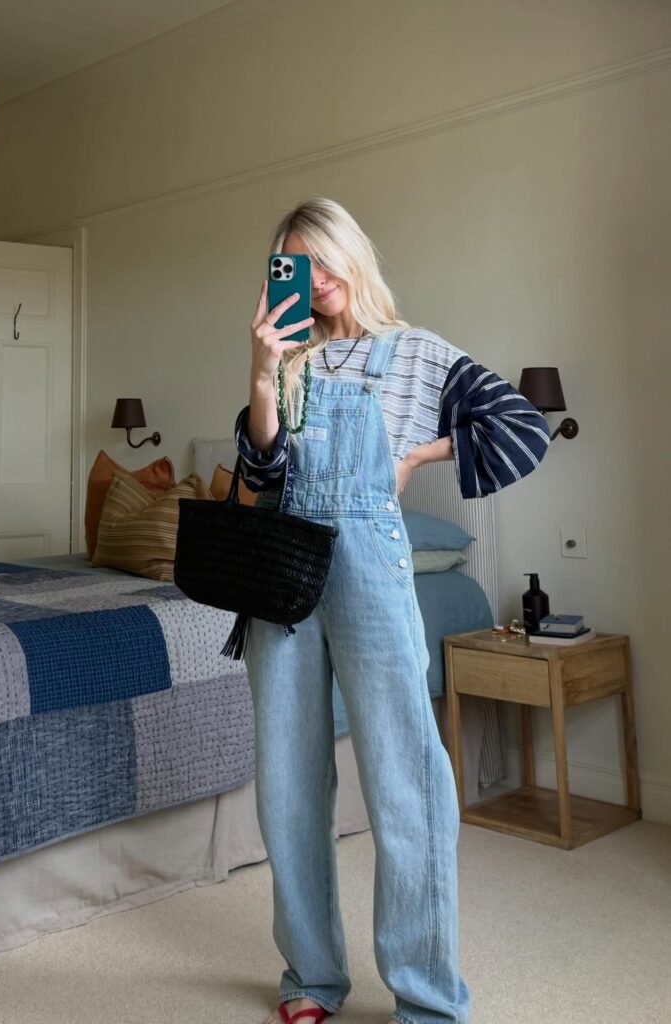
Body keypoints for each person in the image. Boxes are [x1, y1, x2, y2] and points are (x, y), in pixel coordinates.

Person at [234, 197, 550, 1024]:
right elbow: (261, 473)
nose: (316, 278)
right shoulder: (289, 359)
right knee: (287, 786)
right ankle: (310, 977)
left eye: (324, 257)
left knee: (406, 779)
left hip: (371, 572)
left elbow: (522, 427)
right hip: (281, 574)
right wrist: (263, 373)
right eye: (297, 264)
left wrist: (417, 453)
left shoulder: (417, 353)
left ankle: (426, 996)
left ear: (353, 254)